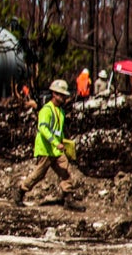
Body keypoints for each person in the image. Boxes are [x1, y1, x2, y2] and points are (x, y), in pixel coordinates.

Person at [12, 79, 84, 211]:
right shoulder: (46, 110)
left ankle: (68, 199)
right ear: (54, 94)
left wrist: (64, 143)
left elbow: (59, 131)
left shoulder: (60, 112)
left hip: (56, 150)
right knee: (38, 174)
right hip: (46, 148)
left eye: (64, 95)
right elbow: (43, 129)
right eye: (60, 94)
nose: (63, 97)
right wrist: (56, 143)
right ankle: (20, 191)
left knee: (65, 172)